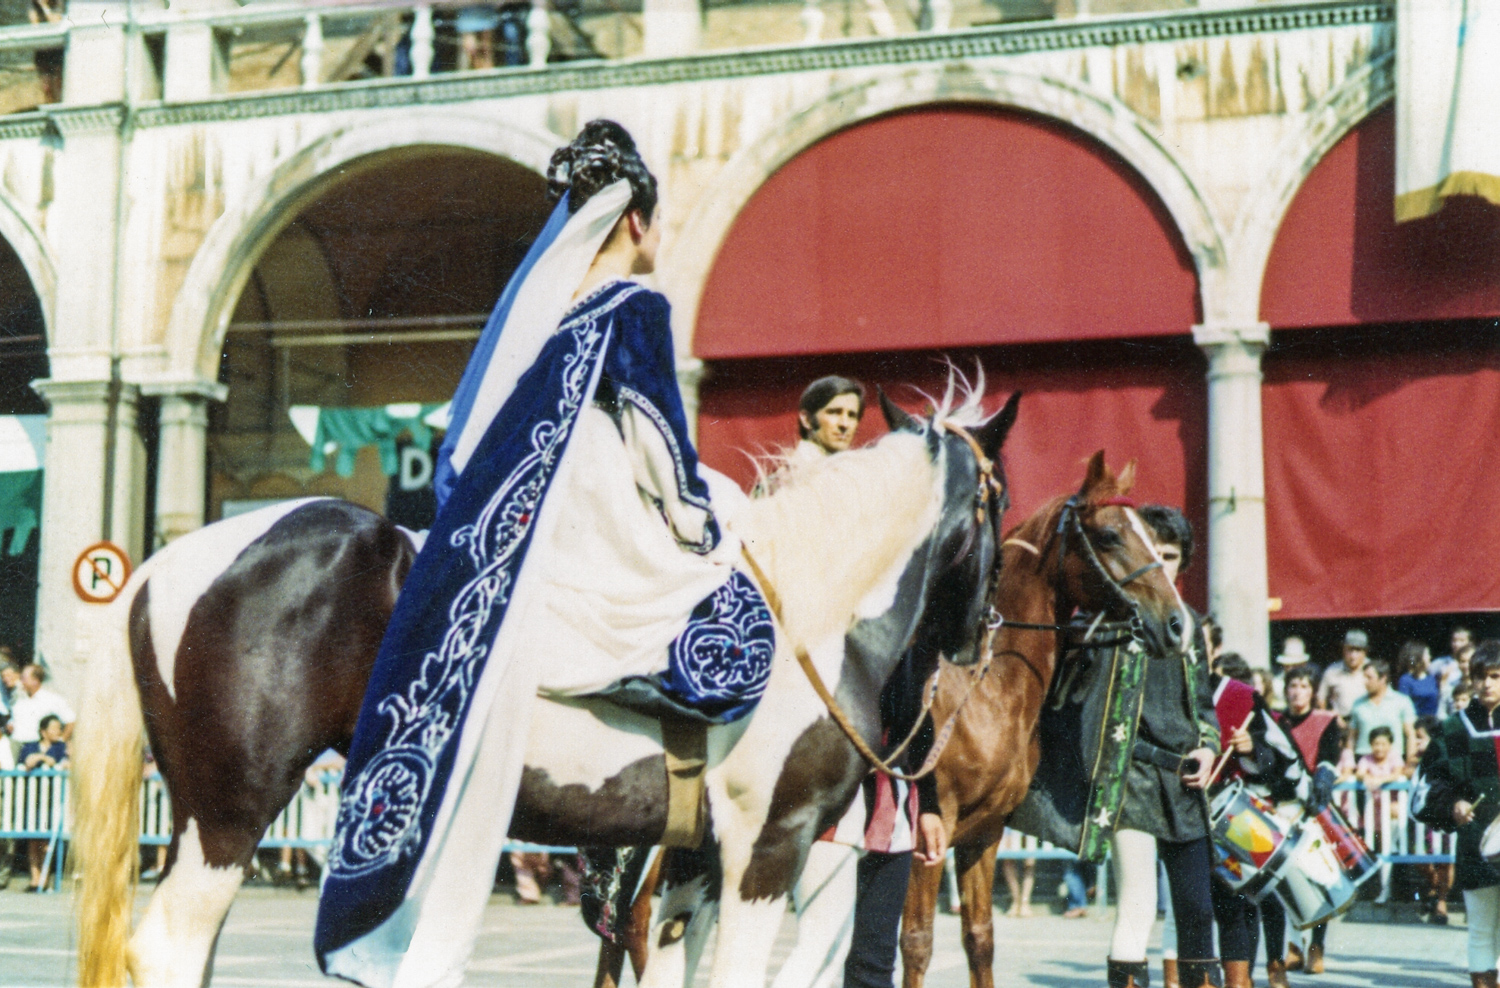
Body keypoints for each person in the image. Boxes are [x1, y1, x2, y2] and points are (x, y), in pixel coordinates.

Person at [316, 121, 773, 986]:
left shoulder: (547, 310)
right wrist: (696, 522)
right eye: (659, 221)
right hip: (601, 507)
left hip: (536, 513)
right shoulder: (635, 306)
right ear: (634, 220)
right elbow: (656, 437)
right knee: (730, 561)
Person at [1108, 505, 1222, 988]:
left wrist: (1209, 748)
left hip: (1183, 782)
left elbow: (1204, 708)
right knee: (1137, 903)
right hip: (1132, 778)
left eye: (1170, 555)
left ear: (1184, 562)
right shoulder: (1113, 621)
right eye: (1152, 552)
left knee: (1197, 908)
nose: (1160, 563)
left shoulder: (1191, 624)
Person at [1414, 640, 1500, 988]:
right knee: (1480, 926)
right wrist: (1452, 805)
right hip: (1475, 843)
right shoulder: (1452, 729)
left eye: (1495, 676)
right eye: (1480, 676)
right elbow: (1425, 787)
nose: (1487, 684)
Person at [1275, 665, 1342, 975]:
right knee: (1286, 878)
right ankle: (1293, 945)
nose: (1297, 692)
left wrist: (1323, 779)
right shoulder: (1276, 721)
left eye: (1303, 686)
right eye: (1293, 685)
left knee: (1318, 877)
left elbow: (1329, 756)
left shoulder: (1326, 721)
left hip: (1313, 806)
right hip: (1282, 807)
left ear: (1313, 691)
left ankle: (1316, 945)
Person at [18, 713, 67, 891]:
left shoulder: (61, 746)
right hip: (33, 799)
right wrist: (42, 758)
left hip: (52, 800)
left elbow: (62, 763)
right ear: (43, 731)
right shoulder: (30, 746)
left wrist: (44, 759)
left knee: (47, 839)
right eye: (54, 728)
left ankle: (44, 877)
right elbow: (26, 762)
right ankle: (35, 877)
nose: (58, 731)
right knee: (33, 838)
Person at [1411, 716, 1453, 924]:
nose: (1416, 742)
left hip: (1443, 817)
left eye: (1421, 738)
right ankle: (1435, 885)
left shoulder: (1445, 760)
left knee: (1446, 860)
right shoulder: (1419, 763)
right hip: (1423, 819)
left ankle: (1441, 902)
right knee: (1420, 858)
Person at [1347, 658, 1417, 765]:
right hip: (1363, 761)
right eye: (1364, 677)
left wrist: (1410, 763)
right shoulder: (1358, 703)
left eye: (1369, 677)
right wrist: (1349, 763)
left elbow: (1410, 735)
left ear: (1383, 678)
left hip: (1394, 762)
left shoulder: (1402, 701)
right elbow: (1352, 737)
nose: (1364, 681)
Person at [9, 663, 74, 755]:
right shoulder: (19, 699)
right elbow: (14, 720)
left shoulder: (52, 699)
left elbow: (70, 721)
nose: (21, 681)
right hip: (15, 744)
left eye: (24, 678)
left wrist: (59, 743)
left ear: (35, 681)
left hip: (35, 747)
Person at [1317, 630, 1370, 717]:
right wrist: (1329, 717)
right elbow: (1321, 698)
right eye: (1350, 650)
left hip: (1367, 719)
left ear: (1365, 651)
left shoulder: (1373, 670)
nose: (1353, 655)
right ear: (1343, 650)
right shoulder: (1332, 671)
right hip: (1340, 719)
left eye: (1358, 650)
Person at [1434, 626, 1477, 715]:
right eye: (1462, 661)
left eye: (1470, 661)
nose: (1466, 665)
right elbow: (1441, 714)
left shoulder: (1483, 686)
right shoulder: (1450, 687)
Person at [1397, 640, 1442, 718]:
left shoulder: (1431, 678)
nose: (1430, 657)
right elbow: (1403, 706)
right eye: (1427, 654)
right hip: (1417, 721)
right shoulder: (1406, 680)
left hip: (1433, 721)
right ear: (1418, 657)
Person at [1270, 636, 1309, 711]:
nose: (1291, 668)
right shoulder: (1276, 683)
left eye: (1295, 665)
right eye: (1288, 665)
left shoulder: (1309, 683)